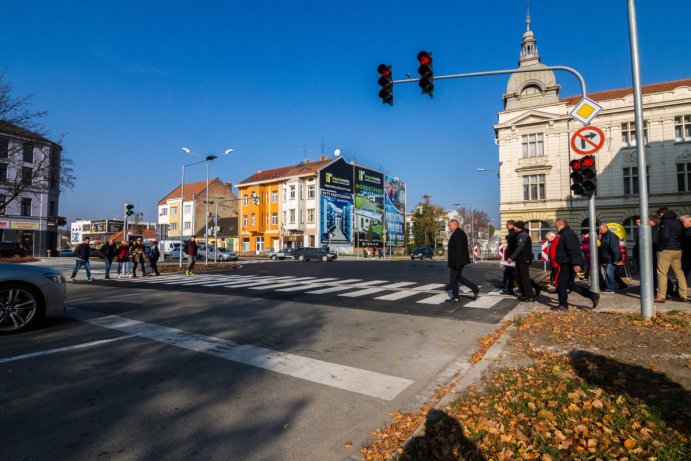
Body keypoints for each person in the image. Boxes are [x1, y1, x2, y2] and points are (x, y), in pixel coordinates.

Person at [553, 218, 600, 310]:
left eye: (556, 226)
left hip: (568, 263)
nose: (556, 229)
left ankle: (563, 304)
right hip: (568, 262)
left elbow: (574, 249)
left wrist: (575, 264)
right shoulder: (567, 233)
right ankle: (592, 295)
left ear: (561, 225)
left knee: (561, 283)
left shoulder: (567, 234)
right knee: (569, 284)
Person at [655, 207, 687, 302]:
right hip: (677, 250)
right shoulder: (678, 222)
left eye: (659, 215)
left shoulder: (665, 222)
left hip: (666, 250)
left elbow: (665, 236)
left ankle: (661, 296)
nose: (659, 217)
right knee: (679, 273)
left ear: (662, 214)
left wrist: (660, 248)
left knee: (661, 273)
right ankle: (683, 295)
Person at [506, 221, 541, 301]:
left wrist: (511, 257)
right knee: (517, 275)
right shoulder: (521, 234)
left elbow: (519, 248)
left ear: (518, 227)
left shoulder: (523, 235)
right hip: (520, 259)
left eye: (515, 226)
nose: (514, 228)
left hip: (523, 259)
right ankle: (526, 293)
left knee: (524, 278)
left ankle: (529, 295)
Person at [446, 218, 479, 302]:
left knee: (453, 278)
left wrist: (457, 263)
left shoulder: (457, 234)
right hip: (459, 260)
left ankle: (456, 296)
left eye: (449, 225)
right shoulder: (459, 233)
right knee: (458, 277)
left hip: (457, 261)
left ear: (454, 225)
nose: (449, 227)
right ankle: (475, 288)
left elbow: (459, 248)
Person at [598, 223, 623, 293]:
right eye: (599, 229)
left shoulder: (611, 236)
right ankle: (622, 285)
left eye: (601, 229)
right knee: (613, 273)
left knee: (609, 273)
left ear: (606, 228)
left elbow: (615, 248)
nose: (599, 231)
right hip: (606, 257)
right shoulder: (604, 236)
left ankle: (610, 288)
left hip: (610, 258)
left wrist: (616, 259)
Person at [502, 220, 517, 295]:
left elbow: (513, 247)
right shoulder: (511, 233)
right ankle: (509, 289)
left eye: (507, 225)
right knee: (509, 273)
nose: (506, 226)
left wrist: (511, 257)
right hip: (510, 257)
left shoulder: (513, 233)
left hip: (511, 257)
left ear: (511, 225)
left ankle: (510, 289)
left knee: (512, 273)